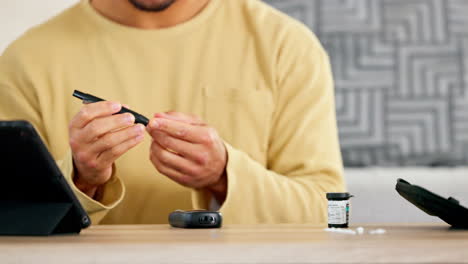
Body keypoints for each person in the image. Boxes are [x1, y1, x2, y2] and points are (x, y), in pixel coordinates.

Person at [0, 0, 345, 224]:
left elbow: (329, 210)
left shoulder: (286, 47)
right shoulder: (26, 61)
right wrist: (81, 179)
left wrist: (224, 176)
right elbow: (11, 217)